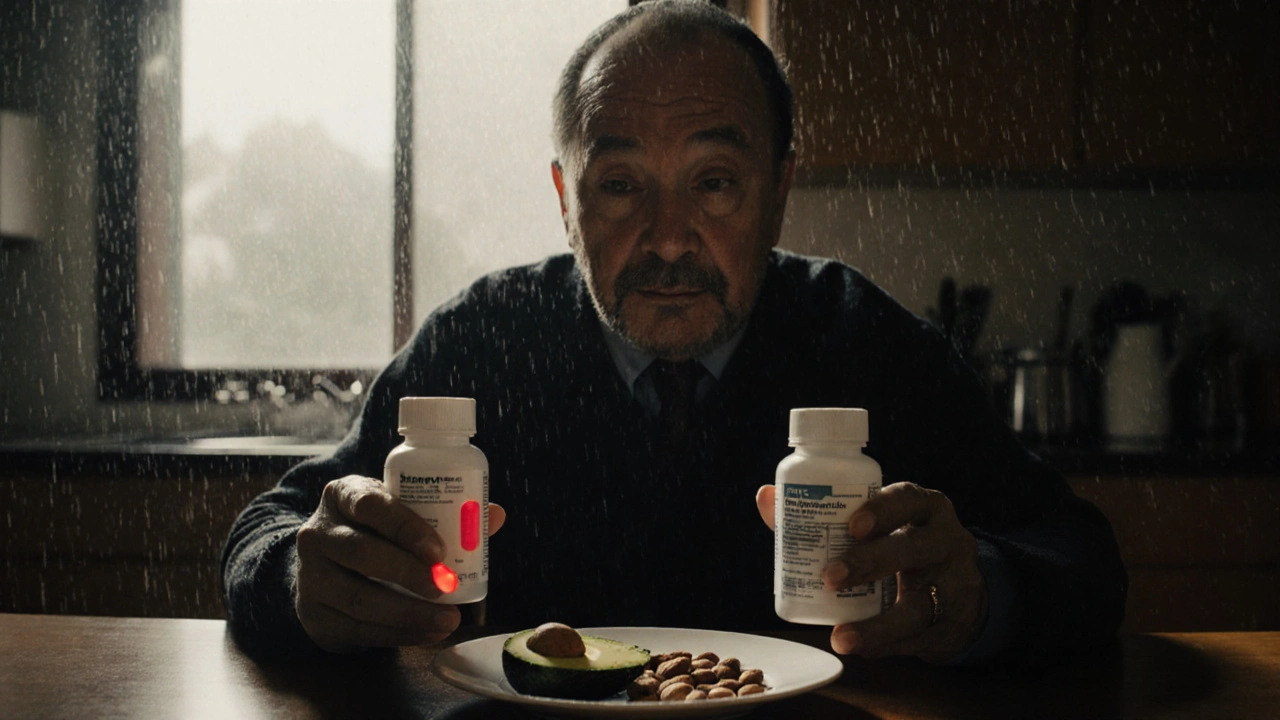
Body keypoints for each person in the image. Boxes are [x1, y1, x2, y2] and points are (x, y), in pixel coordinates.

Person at [221, 0, 1126, 666]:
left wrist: (981, 595)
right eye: (620, 186)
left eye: (715, 182)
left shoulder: (865, 344)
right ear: (564, 198)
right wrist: (303, 585)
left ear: (779, 191)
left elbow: (1084, 563)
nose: (665, 238)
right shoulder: (483, 342)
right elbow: (271, 529)